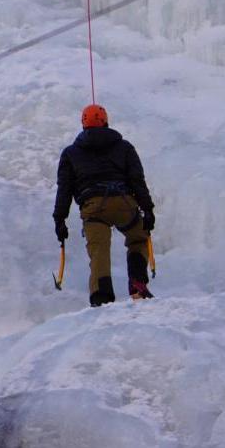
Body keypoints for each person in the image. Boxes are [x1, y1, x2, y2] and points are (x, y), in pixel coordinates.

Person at [53, 104, 156, 306]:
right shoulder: (124, 147)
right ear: (106, 121)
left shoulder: (70, 153)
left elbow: (64, 189)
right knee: (137, 238)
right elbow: (137, 180)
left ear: (83, 125)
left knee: (99, 251)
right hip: (124, 203)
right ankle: (137, 285)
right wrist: (148, 209)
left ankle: (102, 297)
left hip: (93, 208)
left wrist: (60, 220)